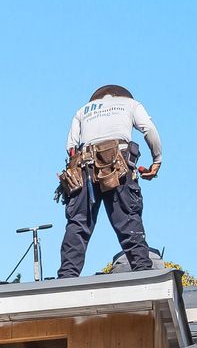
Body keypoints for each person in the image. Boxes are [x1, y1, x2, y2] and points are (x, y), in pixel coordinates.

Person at [56, 85, 161, 279]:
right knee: (128, 220)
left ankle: (67, 277)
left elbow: (71, 149)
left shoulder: (82, 111)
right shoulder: (130, 104)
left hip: (84, 166)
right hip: (117, 166)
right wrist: (157, 160)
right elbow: (149, 130)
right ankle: (144, 275)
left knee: (78, 224)